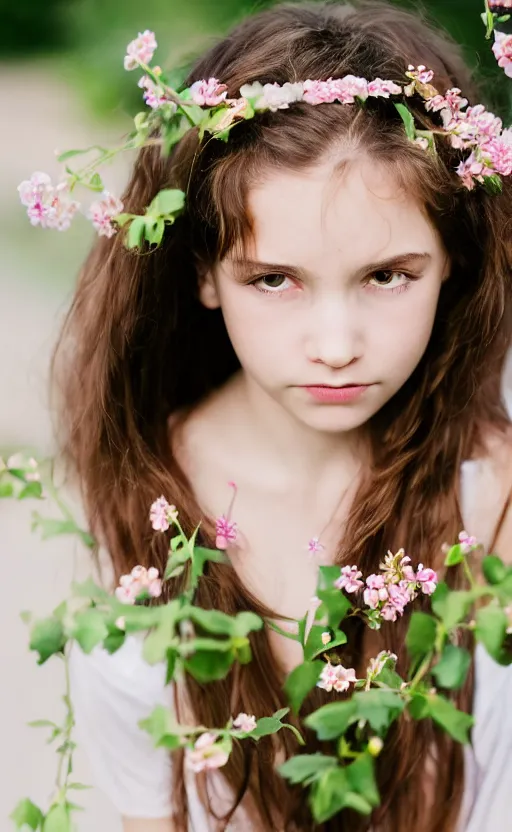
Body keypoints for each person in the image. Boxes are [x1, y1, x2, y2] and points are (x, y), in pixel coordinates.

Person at [52, 1, 512, 830]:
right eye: (274, 280)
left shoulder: (496, 493)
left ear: (454, 264)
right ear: (203, 273)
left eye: (386, 276)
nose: (336, 346)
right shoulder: (138, 506)